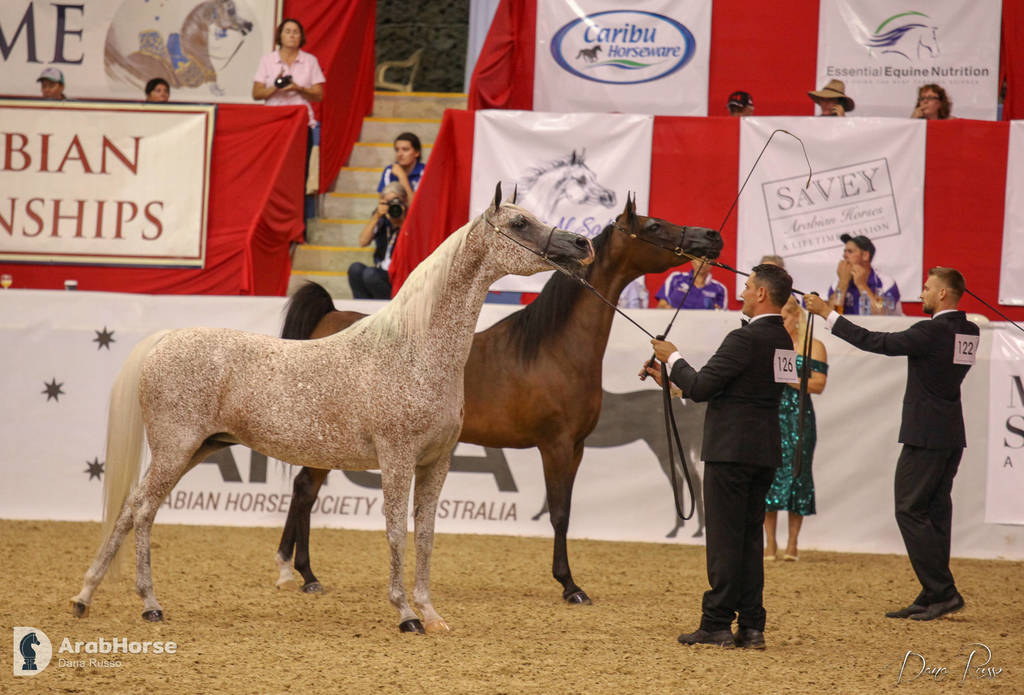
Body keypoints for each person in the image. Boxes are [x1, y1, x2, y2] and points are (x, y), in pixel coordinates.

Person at [804, 267, 978, 622]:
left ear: (944, 294)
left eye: (928, 289)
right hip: (949, 432)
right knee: (935, 511)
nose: (923, 294)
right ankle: (933, 592)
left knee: (909, 509)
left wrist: (828, 314)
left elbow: (877, 342)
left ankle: (943, 591)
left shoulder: (930, 331)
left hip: (924, 433)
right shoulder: (968, 330)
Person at [643, 263, 793, 649]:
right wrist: (674, 383)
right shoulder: (784, 340)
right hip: (763, 450)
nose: (742, 292)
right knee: (747, 539)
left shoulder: (744, 339)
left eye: (747, 287)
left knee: (726, 540)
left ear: (762, 294)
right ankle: (752, 626)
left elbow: (703, 385)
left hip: (731, 450)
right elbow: (740, 390)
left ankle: (716, 623)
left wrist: (672, 358)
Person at [764, 296, 828, 561]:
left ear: (794, 317)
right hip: (771, 415)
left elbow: (819, 384)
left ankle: (792, 543)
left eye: (784, 319)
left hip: (799, 417)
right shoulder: (769, 345)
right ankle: (769, 543)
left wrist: (789, 379)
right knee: (768, 477)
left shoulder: (813, 346)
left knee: (798, 476)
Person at [253, 18, 325, 229]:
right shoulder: (268, 60)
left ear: (301, 37)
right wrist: (275, 88)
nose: (292, 35)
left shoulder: (310, 61)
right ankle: (266, 219)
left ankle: (298, 223)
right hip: (273, 123)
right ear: (280, 36)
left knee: (298, 173)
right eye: (288, 31)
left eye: (296, 32)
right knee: (270, 172)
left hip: (301, 123)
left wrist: (297, 88)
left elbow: (319, 94)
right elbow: (256, 93)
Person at [348, 181, 407, 299]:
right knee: (355, 269)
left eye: (396, 201)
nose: (393, 206)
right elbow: (363, 241)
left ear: (404, 202)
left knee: (370, 274)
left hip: (398, 277)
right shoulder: (381, 220)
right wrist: (377, 215)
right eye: (389, 203)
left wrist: (401, 222)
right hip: (380, 272)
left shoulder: (410, 220)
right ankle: (363, 311)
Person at [827, 233, 900, 315]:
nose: (844, 255)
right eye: (845, 251)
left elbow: (879, 315)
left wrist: (861, 285)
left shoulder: (885, 282)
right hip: (849, 327)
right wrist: (843, 282)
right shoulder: (836, 284)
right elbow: (831, 316)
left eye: (850, 251)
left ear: (865, 255)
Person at [377, 132, 426, 202]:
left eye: (405, 149)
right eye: (397, 150)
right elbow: (384, 204)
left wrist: (402, 176)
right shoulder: (390, 170)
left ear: (417, 153)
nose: (400, 154)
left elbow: (414, 205)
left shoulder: (425, 171)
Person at [656, 261, 727, 310]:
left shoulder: (720, 289)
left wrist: (718, 312)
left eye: (707, 259)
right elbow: (661, 306)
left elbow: (722, 318)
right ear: (692, 260)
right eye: (699, 258)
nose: (702, 263)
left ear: (713, 263)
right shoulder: (676, 278)